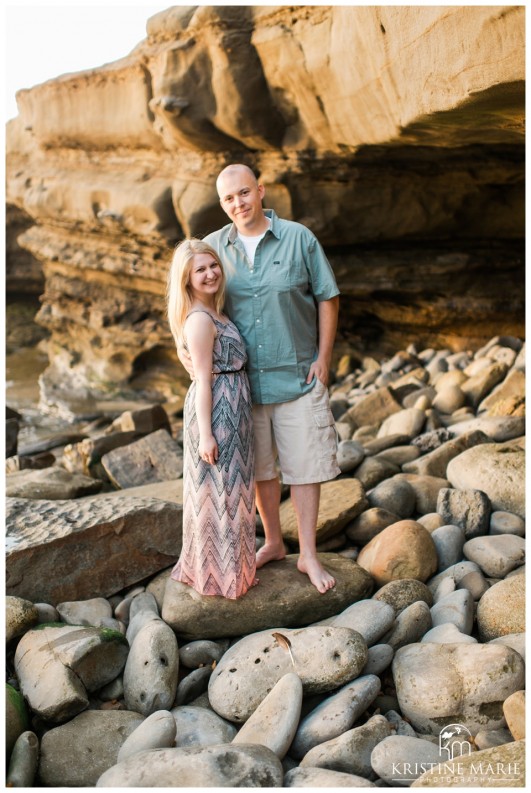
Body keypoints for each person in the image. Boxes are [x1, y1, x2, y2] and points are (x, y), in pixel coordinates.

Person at [201, 163, 341, 594]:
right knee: (260, 469)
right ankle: (275, 542)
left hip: (298, 376)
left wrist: (324, 358)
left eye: (244, 193)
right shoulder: (211, 247)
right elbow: (186, 299)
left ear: (260, 191)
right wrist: (190, 354)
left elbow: (328, 296)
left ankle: (309, 556)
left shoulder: (299, 238)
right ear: (222, 204)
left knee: (303, 469)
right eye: (228, 198)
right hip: (243, 384)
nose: (238, 204)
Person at [166, 238, 256, 599]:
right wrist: (206, 434)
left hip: (233, 405)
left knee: (234, 492)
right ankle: (218, 576)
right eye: (199, 270)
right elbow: (203, 379)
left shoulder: (217, 312)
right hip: (216, 409)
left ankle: (237, 570)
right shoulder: (201, 320)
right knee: (218, 493)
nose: (209, 274)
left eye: (212, 265)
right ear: (186, 280)